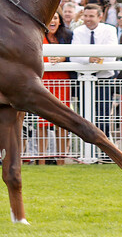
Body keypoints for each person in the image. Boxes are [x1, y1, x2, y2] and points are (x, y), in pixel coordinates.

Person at [70, 4, 117, 139]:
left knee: (103, 116)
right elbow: (73, 56)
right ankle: (87, 152)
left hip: (104, 79)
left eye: (91, 16)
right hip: (84, 80)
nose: (87, 19)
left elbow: (111, 55)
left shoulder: (109, 30)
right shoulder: (78, 31)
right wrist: (90, 59)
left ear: (100, 17)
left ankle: (104, 152)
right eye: (85, 16)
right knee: (85, 116)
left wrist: (88, 60)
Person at [36, 9, 73, 165]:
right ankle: (41, 159)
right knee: (42, 121)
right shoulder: (37, 34)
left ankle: (61, 160)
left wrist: (63, 57)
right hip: (43, 81)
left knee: (62, 120)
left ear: (60, 21)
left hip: (62, 81)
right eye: (50, 17)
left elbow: (74, 54)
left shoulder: (67, 36)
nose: (52, 21)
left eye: (55, 18)